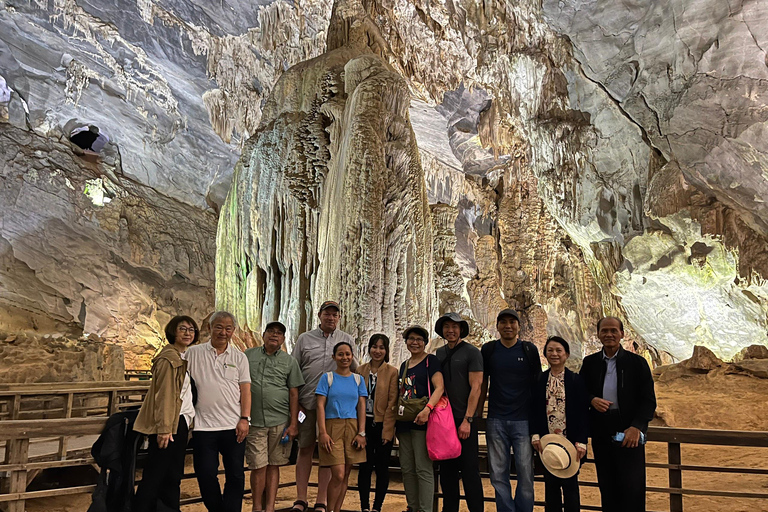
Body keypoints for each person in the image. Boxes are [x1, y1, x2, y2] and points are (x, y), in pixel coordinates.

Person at [579, 317, 656, 512]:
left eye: (614, 330)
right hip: (601, 431)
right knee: (607, 486)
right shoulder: (590, 363)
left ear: (622, 334)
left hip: (628, 431)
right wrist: (591, 399)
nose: (609, 334)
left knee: (632, 487)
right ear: (598, 334)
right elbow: (579, 391)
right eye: (604, 331)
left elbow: (648, 400)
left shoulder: (637, 363)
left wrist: (636, 427)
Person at [291, 301, 357, 512]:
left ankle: (322, 500)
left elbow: (356, 370)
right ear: (319, 315)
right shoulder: (304, 339)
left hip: (334, 410)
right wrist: (296, 405)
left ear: (339, 318)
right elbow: (294, 371)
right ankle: (301, 498)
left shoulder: (346, 340)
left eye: (334, 315)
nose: (330, 318)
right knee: (305, 449)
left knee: (329, 454)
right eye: (327, 314)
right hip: (308, 404)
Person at [186, 311, 251, 512]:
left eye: (228, 328)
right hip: (203, 426)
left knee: (236, 474)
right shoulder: (192, 354)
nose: (223, 332)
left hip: (233, 425)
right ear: (209, 328)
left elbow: (246, 390)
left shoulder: (239, 357)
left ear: (233, 331)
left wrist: (244, 418)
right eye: (219, 327)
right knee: (205, 473)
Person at [133, 316, 198, 512]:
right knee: (156, 475)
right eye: (183, 329)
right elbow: (165, 396)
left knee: (171, 474)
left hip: (178, 422)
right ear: (173, 331)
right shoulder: (168, 359)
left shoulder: (179, 357)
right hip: (171, 424)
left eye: (191, 329)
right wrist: (164, 428)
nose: (188, 333)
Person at [479, 308, 542, 512]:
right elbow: (482, 384)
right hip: (496, 419)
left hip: (523, 420)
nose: (508, 326)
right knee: (498, 473)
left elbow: (537, 385)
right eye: (503, 322)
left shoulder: (529, 350)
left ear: (518, 326)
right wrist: (478, 414)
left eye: (512, 322)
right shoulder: (489, 350)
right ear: (497, 326)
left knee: (525, 472)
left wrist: (538, 420)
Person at [244, 321, 305, 512]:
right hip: (254, 421)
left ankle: (269, 507)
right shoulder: (247, 356)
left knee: (274, 465)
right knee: (258, 465)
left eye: (279, 333)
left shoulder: (289, 361)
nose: (274, 335)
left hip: (279, 421)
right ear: (264, 334)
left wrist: (294, 423)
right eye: (271, 331)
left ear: (283, 339)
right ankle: (256, 507)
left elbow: (294, 393)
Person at [433, 313, 484, 512]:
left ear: (461, 330)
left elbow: (476, 387)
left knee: (470, 470)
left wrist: (468, 419)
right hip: (444, 422)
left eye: (455, 326)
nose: (451, 330)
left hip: (464, 420)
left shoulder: (472, 353)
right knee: (447, 471)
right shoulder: (439, 354)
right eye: (447, 326)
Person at [531, 336, 588, 512]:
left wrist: (582, 441)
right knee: (551, 488)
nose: (554, 354)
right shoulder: (539, 380)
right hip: (547, 443)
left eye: (558, 350)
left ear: (566, 354)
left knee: (571, 488)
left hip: (570, 442)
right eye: (550, 350)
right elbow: (533, 409)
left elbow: (582, 412)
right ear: (545, 354)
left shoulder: (575, 380)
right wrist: (535, 435)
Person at [396, 325, 444, 512]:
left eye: (419, 339)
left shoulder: (431, 361)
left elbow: (439, 387)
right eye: (411, 339)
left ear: (425, 342)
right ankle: (412, 506)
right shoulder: (404, 365)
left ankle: (425, 509)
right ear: (406, 342)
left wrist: (427, 409)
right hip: (404, 422)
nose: (415, 342)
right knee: (407, 468)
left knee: (423, 468)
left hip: (423, 421)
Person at [316, 342, 368, 512]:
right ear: (334, 357)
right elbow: (320, 406)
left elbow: (361, 407)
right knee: (337, 473)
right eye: (340, 354)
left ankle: (336, 510)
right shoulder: (327, 378)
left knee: (345, 474)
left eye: (347, 354)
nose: (344, 358)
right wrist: (322, 432)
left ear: (352, 356)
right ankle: (329, 509)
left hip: (352, 427)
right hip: (332, 426)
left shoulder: (358, 379)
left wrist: (361, 432)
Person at [356, 334, 399, 512]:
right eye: (374, 347)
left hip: (382, 425)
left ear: (386, 350)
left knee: (382, 468)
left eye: (382, 347)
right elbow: (356, 400)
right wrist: (359, 431)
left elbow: (393, 403)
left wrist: (388, 431)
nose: (378, 351)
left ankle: (377, 507)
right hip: (363, 424)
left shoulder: (392, 372)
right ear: (369, 349)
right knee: (364, 467)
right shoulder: (360, 371)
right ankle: (364, 507)